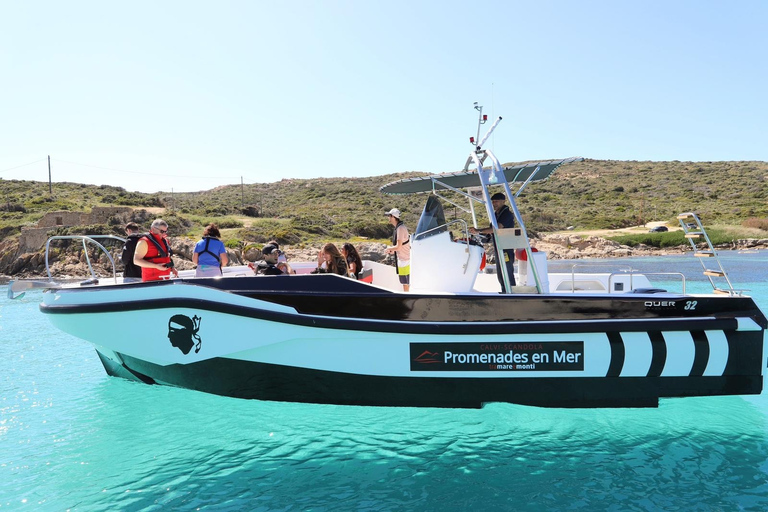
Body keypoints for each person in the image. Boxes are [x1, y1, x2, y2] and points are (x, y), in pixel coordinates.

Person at [469, 192, 517, 291]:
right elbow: (491, 229)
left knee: (507, 271)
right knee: (500, 272)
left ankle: (512, 292)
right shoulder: (496, 214)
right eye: (493, 202)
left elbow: (497, 228)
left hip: (506, 247)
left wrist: (479, 231)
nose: (494, 203)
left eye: (497, 201)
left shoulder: (507, 214)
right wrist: (480, 233)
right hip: (498, 246)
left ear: (503, 201)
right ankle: (505, 291)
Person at [384, 208, 410, 291]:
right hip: (404, 259)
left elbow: (398, 247)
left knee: (405, 283)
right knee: (405, 283)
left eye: (389, 216)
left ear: (393, 217)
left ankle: (407, 299)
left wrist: (389, 248)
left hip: (405, 260)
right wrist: (393, 250)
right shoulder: (399, 227)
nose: (388, 218)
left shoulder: (400, 229)